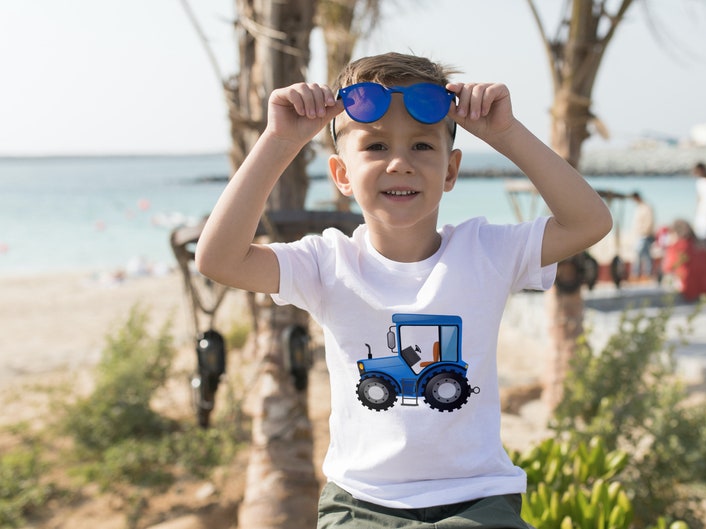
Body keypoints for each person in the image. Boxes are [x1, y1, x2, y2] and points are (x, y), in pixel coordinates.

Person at [195, 52, 612, 528]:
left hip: (476, 498)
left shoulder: (486, 252)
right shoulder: (326, 262)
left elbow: (589, 221)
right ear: (342, 175)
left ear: (451, 171)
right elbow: (219, 259)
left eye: (422, 146)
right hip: (362, 502)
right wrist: (279, 140)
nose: (400, 163)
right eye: (374, 147)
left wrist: (505, 134)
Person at [662, 219, 706, 301]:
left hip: (687, 289)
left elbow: (667, 268)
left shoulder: (677, 247)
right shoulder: (702, 246)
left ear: (675, 233)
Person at [629, 191, 655, 279]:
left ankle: (639, 274)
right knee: (644, 254)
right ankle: (644, 274)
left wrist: (645, 232)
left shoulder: (646, 207)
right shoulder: (639, 208)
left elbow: (649, 220)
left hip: (645, 235)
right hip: (639, 234)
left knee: (640, 254)